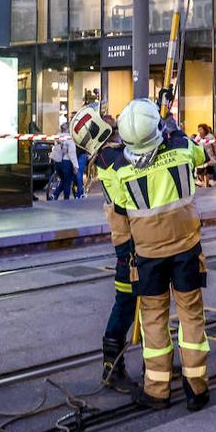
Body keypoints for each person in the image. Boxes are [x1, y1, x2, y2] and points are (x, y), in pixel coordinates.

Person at [110, 98, 210, 412]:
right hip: (186, 249)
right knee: (191, 317)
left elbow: (117, 208)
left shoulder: (120, 170)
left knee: (154, 320)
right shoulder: (180, 147)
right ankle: (197, 388)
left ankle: (157, 390)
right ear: (158, 129)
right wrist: (172, 130)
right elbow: (201, 154)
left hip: (148, 256)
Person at [70, 105, 135, 392]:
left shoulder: (112, 155)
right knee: (126, 302)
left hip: (134, 240)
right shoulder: (114, 159)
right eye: (104, 117)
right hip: (131, 245)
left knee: (149, 302)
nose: (111, 116)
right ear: (97, 128)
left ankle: (153, 360)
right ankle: (112, 368)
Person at [48, 128, 79, 200]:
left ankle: (54, 195)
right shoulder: (69, 138)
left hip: (57, 163)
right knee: (67, 182)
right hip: (66, 162)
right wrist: (75, 166)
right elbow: (71, 153)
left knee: (63, 180)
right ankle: (66, 200)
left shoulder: (57, 137)